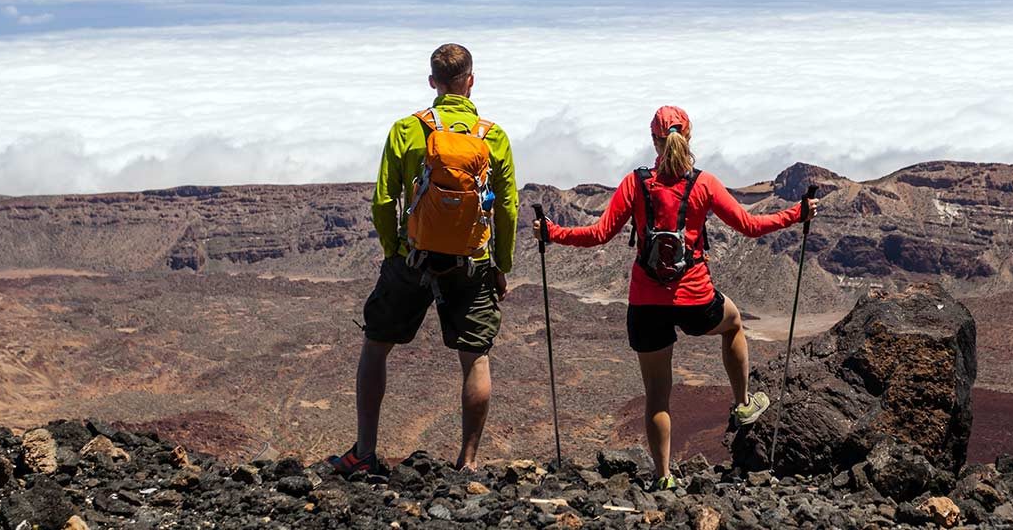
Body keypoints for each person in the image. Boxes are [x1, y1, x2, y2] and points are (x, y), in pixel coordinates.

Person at [533, 105, 817, 490]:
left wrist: (552, 232)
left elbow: (599, 234)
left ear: (653, 139)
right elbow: (750, 226)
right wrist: (797, 213)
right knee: (732, 323)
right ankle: (743, 404)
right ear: (689, 136)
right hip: (695, 298)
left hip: (646, 304)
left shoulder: (636, 183)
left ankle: (663, 477)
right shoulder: (703, 184)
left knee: (657, 397)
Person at [329, 43, 519, 474]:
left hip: (411, 259)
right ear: (471, 80)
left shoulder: (406, 130)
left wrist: (393, 250)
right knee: (475, 356)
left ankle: (364, 452)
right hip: (471, 265)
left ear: (432, 82)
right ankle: (467, 464)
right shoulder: (494, 136)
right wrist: (500, 265)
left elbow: (382, 201)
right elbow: (507, 207)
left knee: (376, 347)